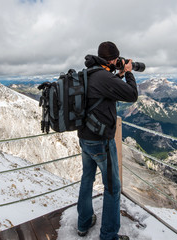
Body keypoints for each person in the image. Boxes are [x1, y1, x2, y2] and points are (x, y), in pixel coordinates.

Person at [77, 41, 138, 240]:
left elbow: (101, 90)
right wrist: (128, 72)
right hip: (101, 140)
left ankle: (83, 223)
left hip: (84, 138)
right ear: (112, 59)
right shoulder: (103, 76)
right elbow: (132, 95)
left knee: (87, 179)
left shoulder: (89, 74)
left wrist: (117, 75)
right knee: (113, 187)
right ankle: (109, 235)